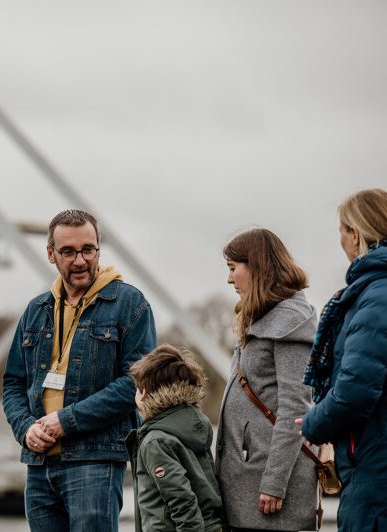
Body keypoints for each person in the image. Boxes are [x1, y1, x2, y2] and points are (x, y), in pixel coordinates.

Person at [2, 209, 157, 532]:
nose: (80, 260)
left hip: (96, 460)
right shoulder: (35, 310)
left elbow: (136, 384)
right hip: (39, 462)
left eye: (88, 249)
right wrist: (25, 429)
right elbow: (13, 383)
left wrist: (65, 421)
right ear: (50, 254)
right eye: (68, 251)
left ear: (98, 249)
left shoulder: (130, 304)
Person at [215, 228, 318, 532]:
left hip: (269, 493)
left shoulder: (290, 323)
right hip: (248, 486)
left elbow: (296, 410)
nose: (229, 279)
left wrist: (274, 483)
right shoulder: (260, 318)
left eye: (234, 269)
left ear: (257, 267)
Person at [300, 188, 387, 531]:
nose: (339, 239)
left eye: (341, 230)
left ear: (356, 234)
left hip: (374, 469)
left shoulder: (375, 296)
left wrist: (313, 423)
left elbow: (356, 389)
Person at [126, 343, 224, 532]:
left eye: (137, 389)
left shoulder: (156, 441)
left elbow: (182, 501)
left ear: (144, 393)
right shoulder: (192, 425)